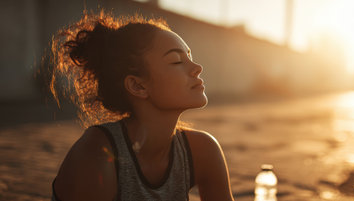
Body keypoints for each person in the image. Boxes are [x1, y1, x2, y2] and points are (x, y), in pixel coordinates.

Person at [48, 11, 234, 201]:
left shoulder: (202, 150)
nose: (197, 68)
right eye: (176, 61)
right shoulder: (97, 154)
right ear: (138, 86)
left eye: (189, 57)